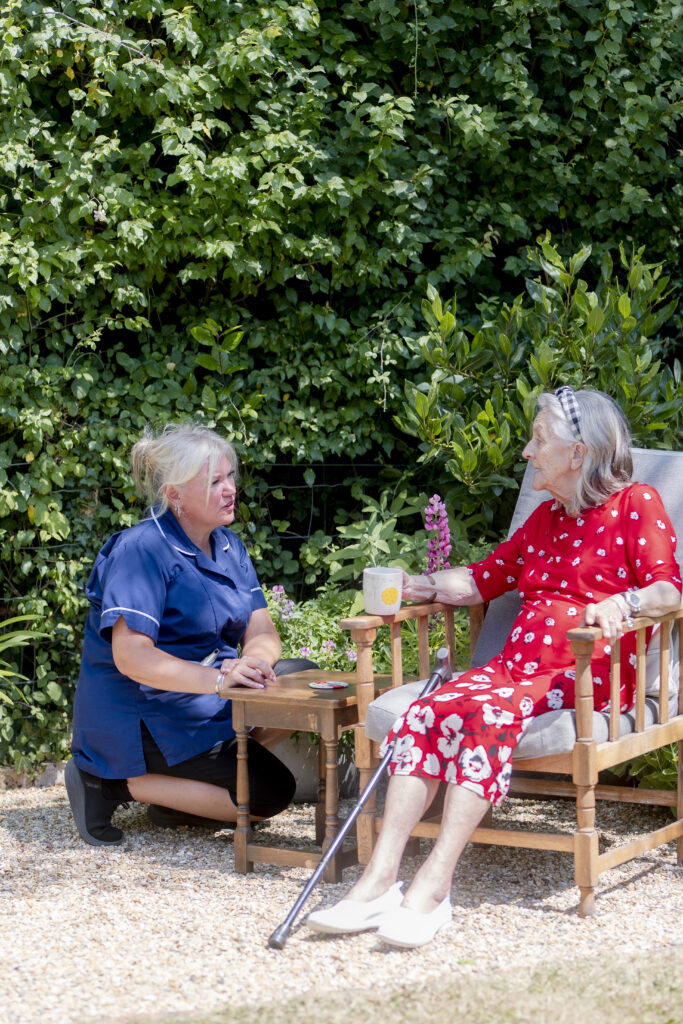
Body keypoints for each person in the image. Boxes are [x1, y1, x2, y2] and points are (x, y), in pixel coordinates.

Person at [306, 387, 682, 948]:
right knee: (427, 711)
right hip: (514, 669)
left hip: (586, 674)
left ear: (578, 453)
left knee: (485, 714)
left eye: (539, 440)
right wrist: (420, 584)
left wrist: (622, 604)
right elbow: (482, 579)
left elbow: (669, 590)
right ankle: (378, 881)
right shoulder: (546, 519)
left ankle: (434, 885)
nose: (528, 452)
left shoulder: (637, 504)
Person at [66, 423, 305, 847]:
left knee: (297, 680)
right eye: (214, 481)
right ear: (174, 494)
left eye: (230, 476)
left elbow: (262, 627)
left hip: (204, 697)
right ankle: (112, 782)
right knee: (270, 793)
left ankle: (181, 797)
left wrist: (254, 664)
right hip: (146, 712)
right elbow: (132, 658)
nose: (230, 489)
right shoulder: (141, 550)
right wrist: (220, 680)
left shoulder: (228, 545)